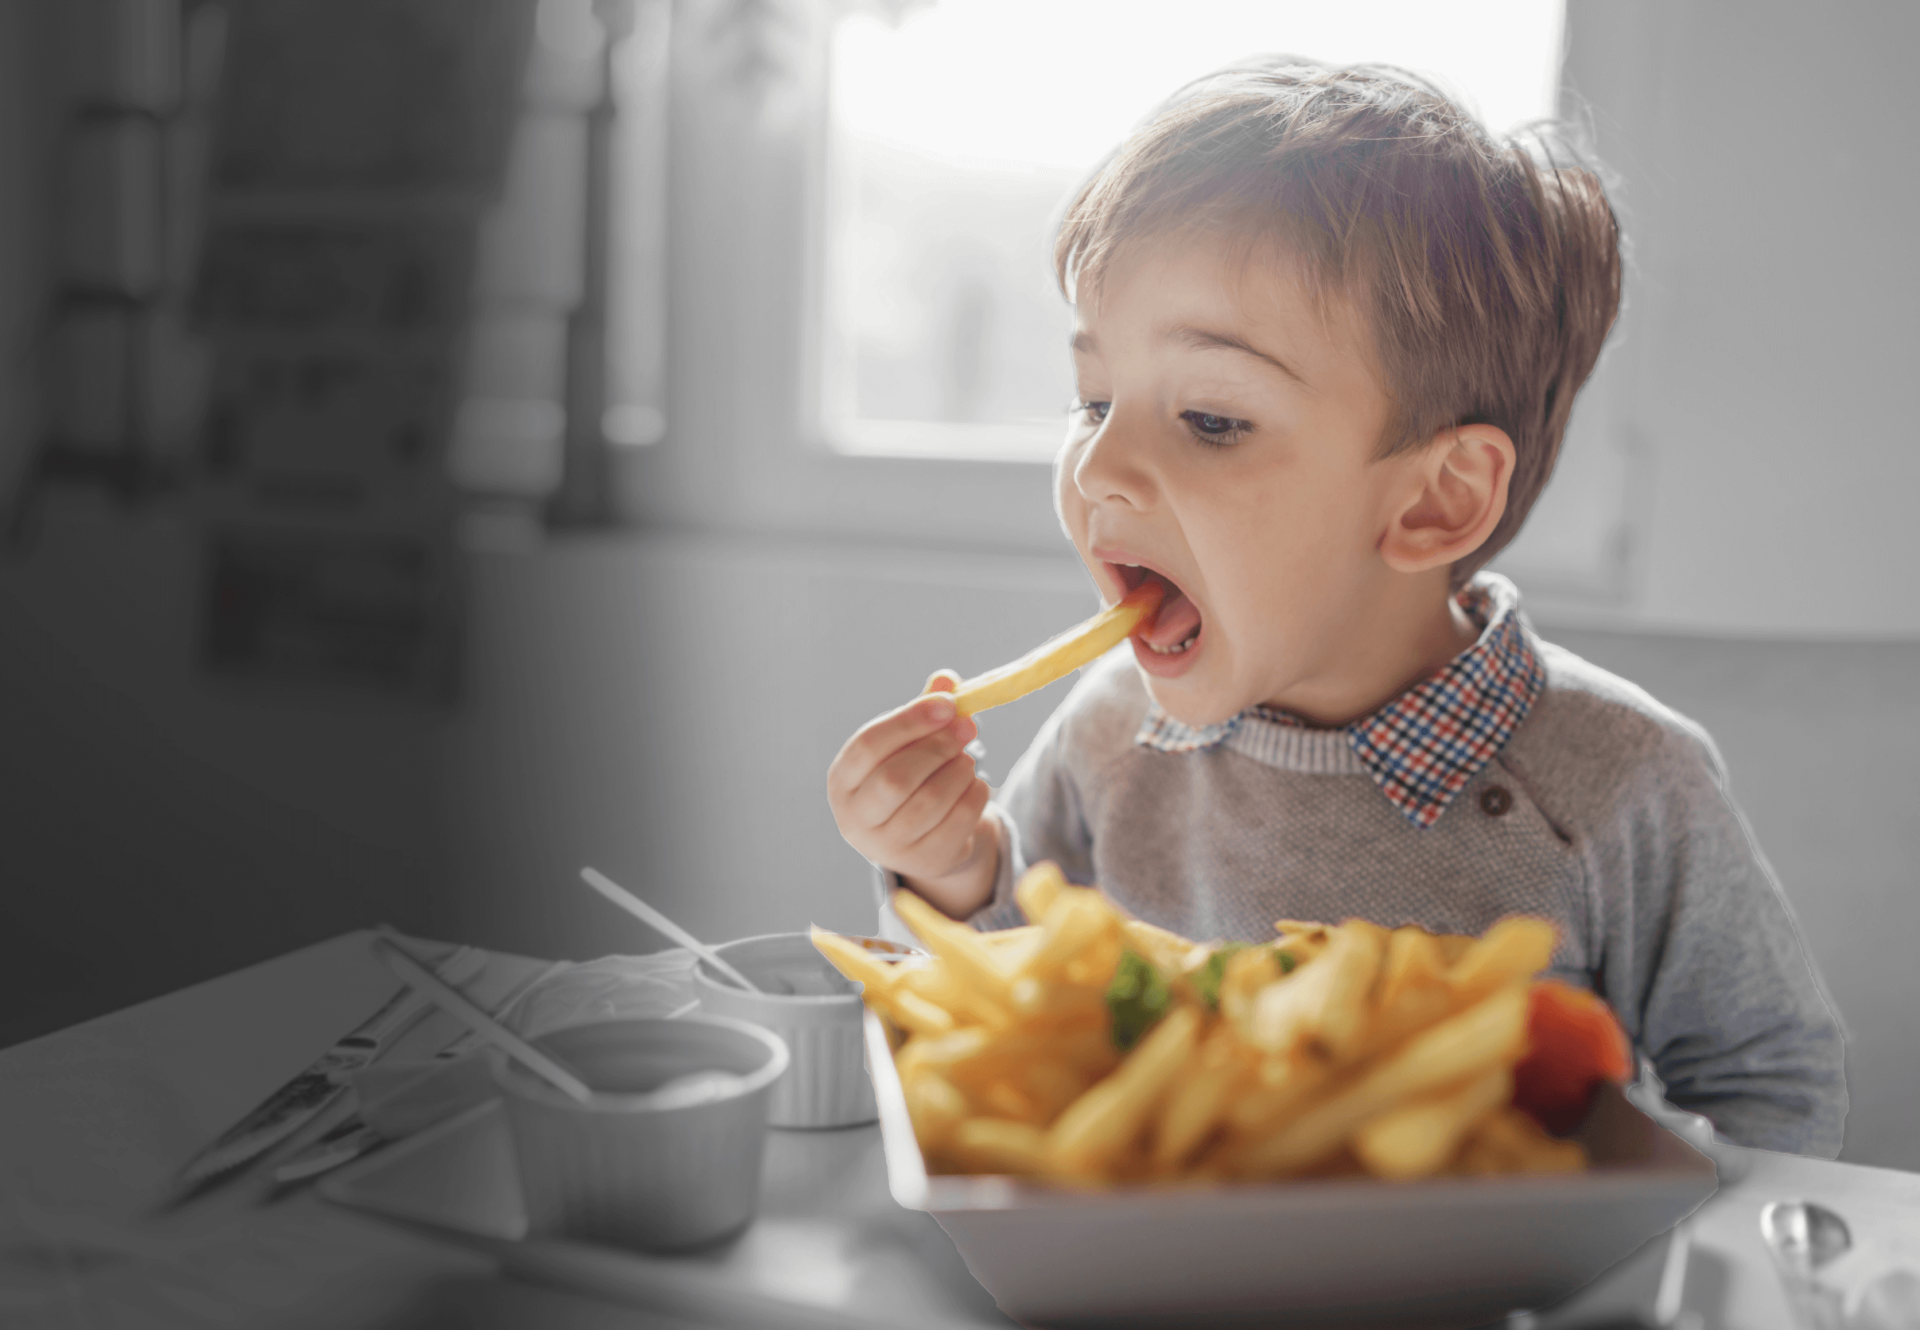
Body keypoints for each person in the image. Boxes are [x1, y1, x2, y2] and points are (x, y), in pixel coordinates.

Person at [825, 59, 1845, 1157]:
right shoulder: (1109, 731)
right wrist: (949, 869)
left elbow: (1768, 1081)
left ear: (1434, 500)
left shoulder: (1626, 782)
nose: (1102, 465)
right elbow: (1016, 1007)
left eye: (1211, 418)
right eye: (1094, 400)